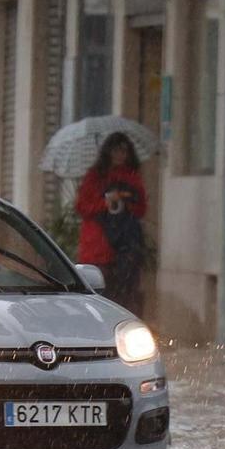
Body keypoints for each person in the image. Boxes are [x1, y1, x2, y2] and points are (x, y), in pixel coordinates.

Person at [74, 132, 149, 314]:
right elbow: (82, 206)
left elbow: (141, 208)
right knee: (101, 296)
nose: (119, 155)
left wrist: (126, 201)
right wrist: (105, 203)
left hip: (126, 247)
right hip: (99, 246)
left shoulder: (132, 177)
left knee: (125, 295)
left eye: (124, 151)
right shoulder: (95, 177)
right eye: (116, 150)